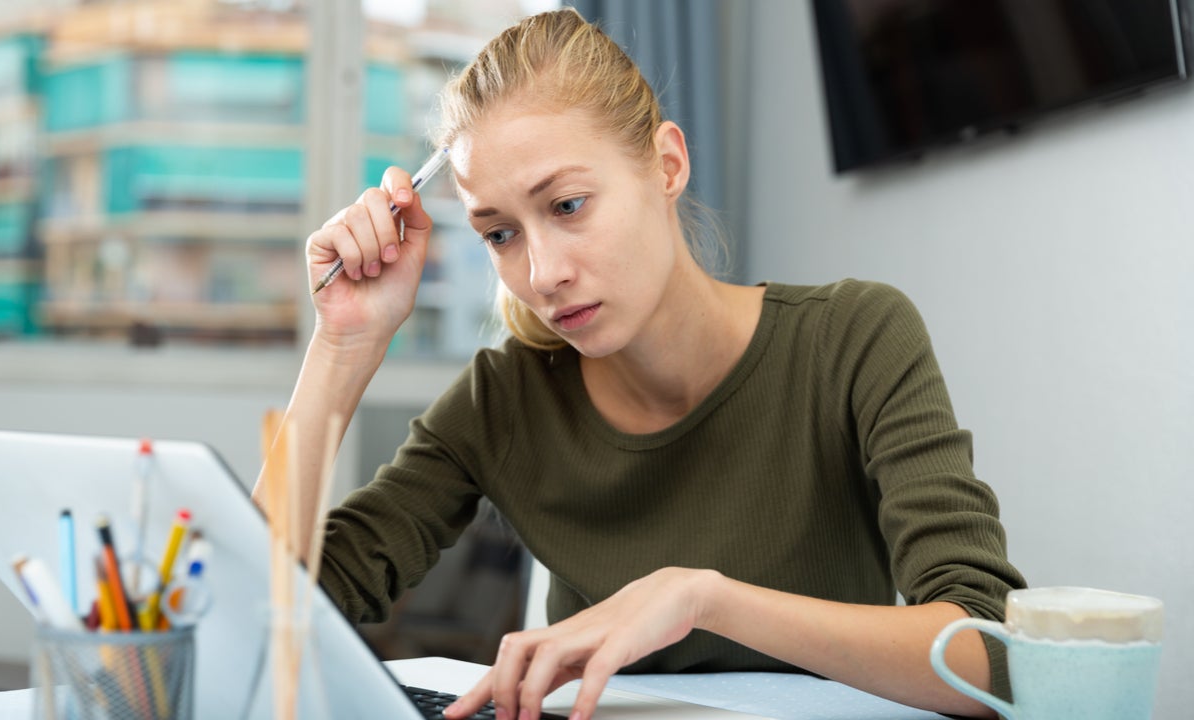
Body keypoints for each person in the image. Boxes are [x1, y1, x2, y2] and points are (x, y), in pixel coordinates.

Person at [252, 8, 1025, 720]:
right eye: (499, 235)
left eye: (566, 206)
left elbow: (993, 658)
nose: (542, 271)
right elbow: (254, 612)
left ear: (666, 164)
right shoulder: (504, 402)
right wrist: (344, 346)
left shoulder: (851, 339)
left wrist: (701, 599)